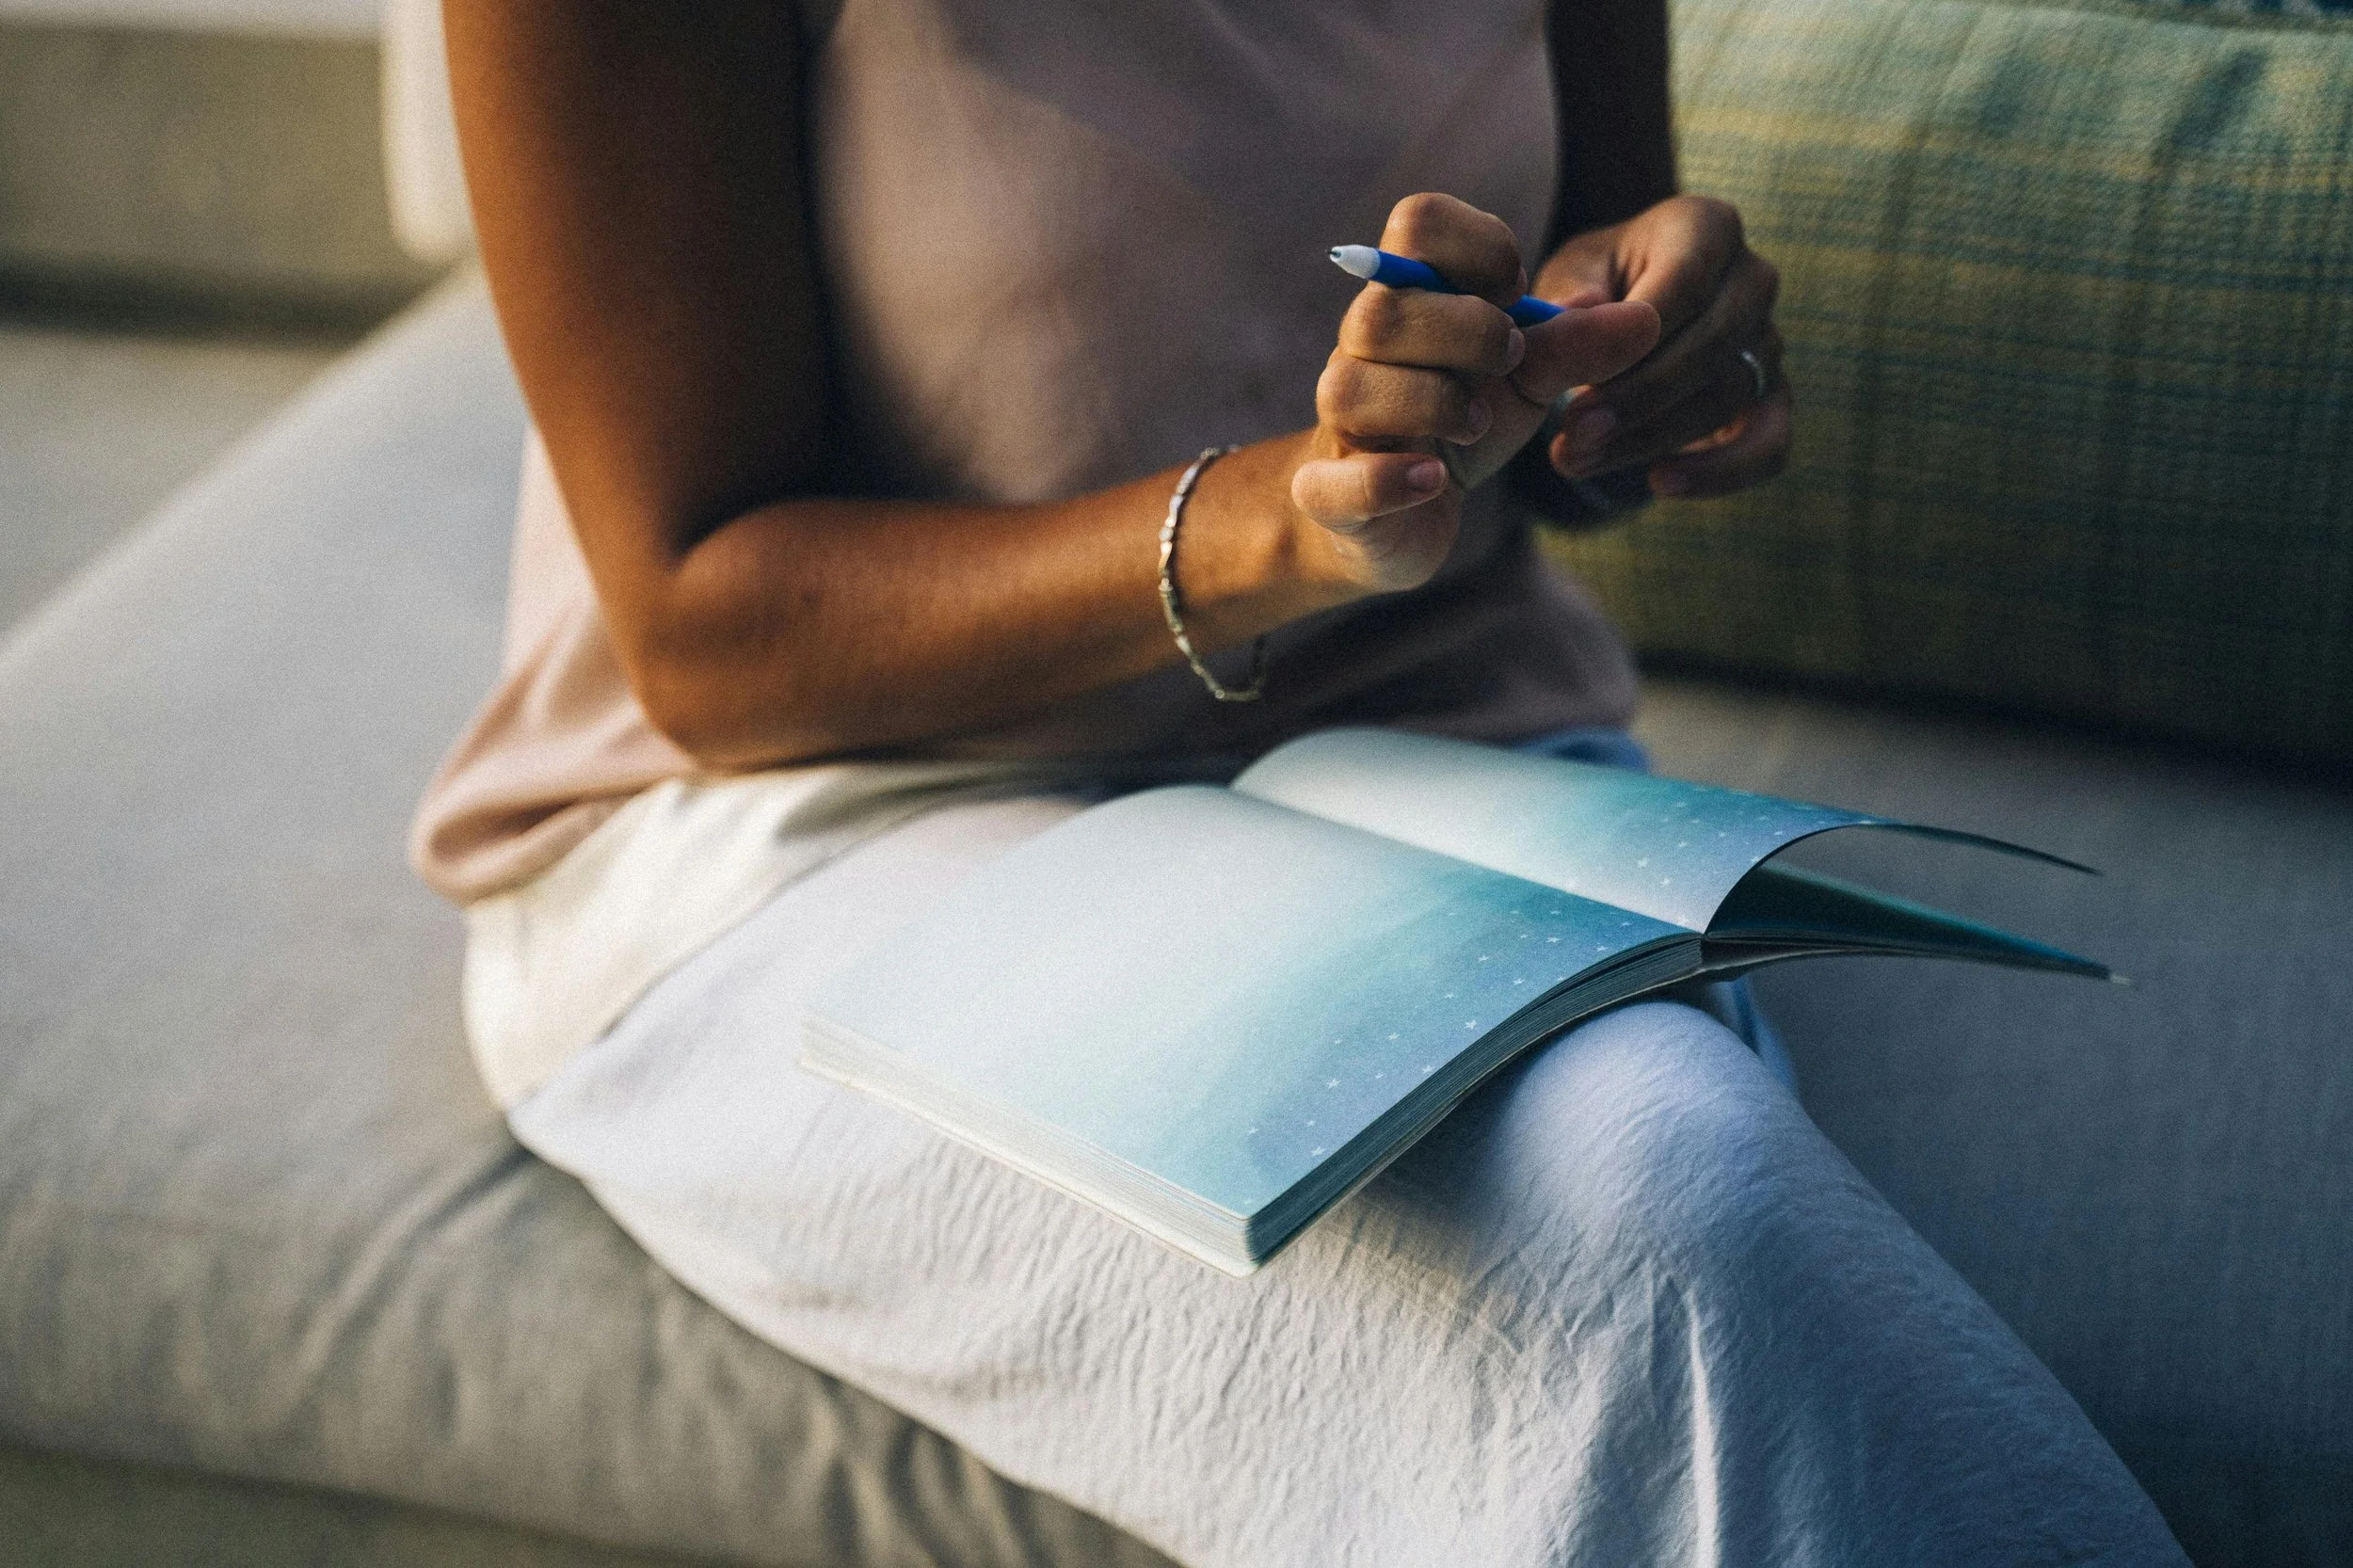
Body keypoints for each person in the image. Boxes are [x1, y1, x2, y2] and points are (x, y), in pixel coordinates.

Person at [411, 4, 2187, 1562]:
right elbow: (709, 625)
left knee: (1660, 1179)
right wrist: (1283, 520)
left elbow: (1571, 358)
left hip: (1428, 741)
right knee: (1657, 1228)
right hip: (824, 803)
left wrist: (1627, 351)